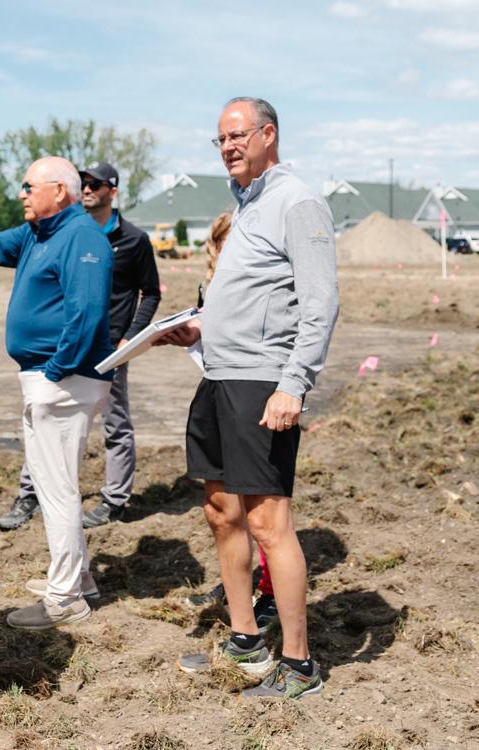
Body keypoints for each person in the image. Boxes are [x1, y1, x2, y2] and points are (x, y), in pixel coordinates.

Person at [159, 97, 339, 699]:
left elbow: (320, 303)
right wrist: (200, 328)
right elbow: (253, 293)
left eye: (238, 136)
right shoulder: (247, 205)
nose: (228, 147)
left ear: (269, 134)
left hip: (263, 383)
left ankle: (299, 665)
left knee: (268, 523)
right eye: (220, 139)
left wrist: (294, 383)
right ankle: (245, 642)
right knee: (220, 511)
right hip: (219, 377)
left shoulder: (296, 201)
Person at [0, 156, 115, 630]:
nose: (21, 193)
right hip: (49, 377)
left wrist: (55, 372)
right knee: (52, 484)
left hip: (63, 379)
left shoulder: (81, 237)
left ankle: (65, 599)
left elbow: (86, 313)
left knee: (57, 489)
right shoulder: (37, 233)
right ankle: (79, 579)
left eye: (28, 186)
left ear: (59, 191)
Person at [0, 161, 161, 531]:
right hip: (66, 350)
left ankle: (115, 499)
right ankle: (30, 493)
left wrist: (131, 335)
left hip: (108, 348)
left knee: (115, 423)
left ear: (112, 191)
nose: (88, 189)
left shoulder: (133, 239)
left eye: (96, 184)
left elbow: (150, 292)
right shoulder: (65, 232)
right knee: (45, 426)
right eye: (84, 183)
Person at [183, 210, 279, 636]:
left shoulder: (262, 280)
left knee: (264, 509)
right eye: (223, 243)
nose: (229, 251)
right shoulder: (210, 285)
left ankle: (271, 590)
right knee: (225, 506)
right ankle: (237, 585)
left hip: (254, 392)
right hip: (218, 388)